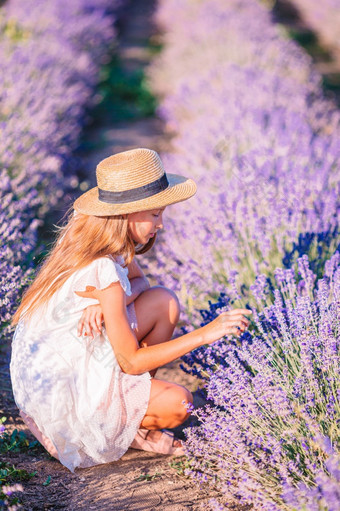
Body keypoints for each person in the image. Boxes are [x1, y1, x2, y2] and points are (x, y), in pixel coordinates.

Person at [10, 148, 252, 473]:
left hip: (62, 383)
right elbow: (131, 361)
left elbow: (142, 283)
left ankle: (129, 416)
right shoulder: (102, 267)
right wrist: (206, 334)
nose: (161, 224)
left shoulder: (101, 247)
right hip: (73, 404)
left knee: (163, 300)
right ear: (127, 214)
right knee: (181, 404)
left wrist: (112, 303)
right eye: (155, 215)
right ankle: (126, 425)